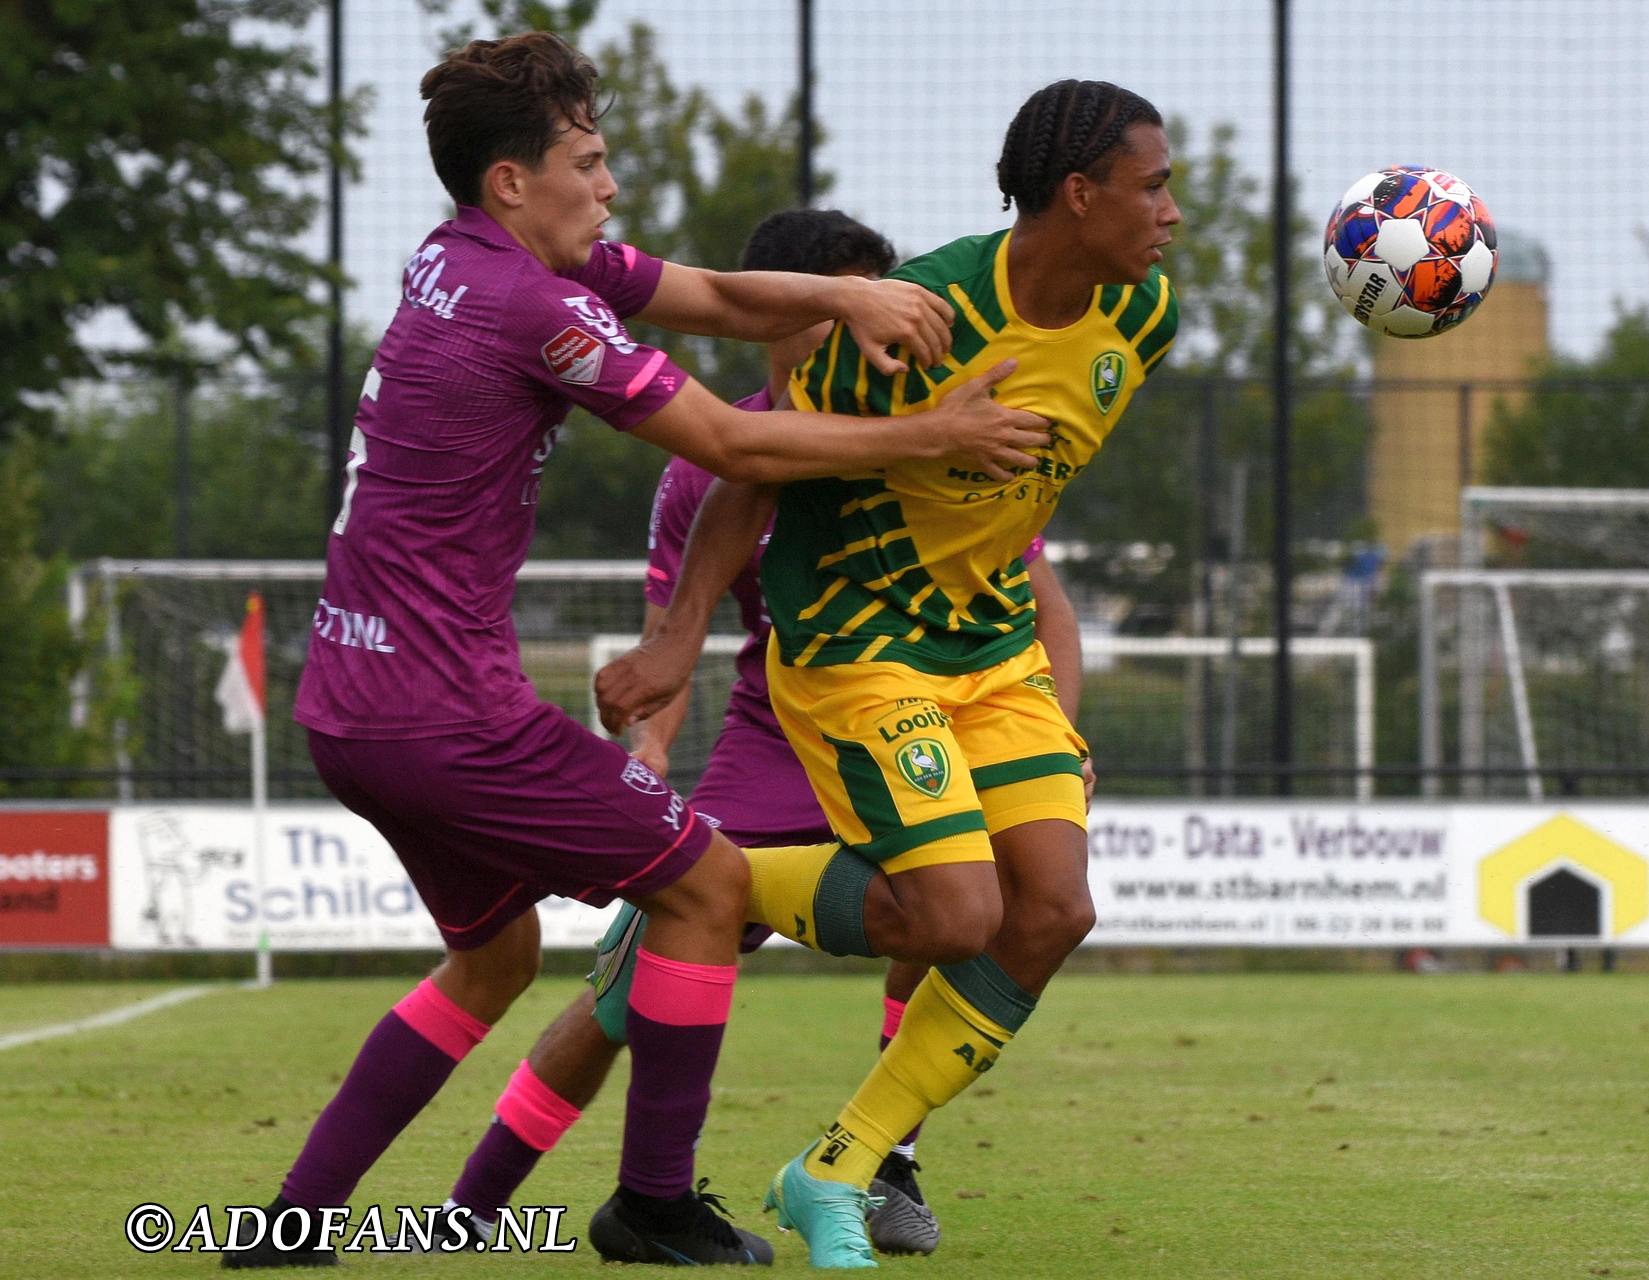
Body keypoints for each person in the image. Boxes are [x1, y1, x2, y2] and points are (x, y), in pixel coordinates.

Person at [220, 33, 1048, 1270]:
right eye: (589, 161)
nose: (608, 185)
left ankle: (293, 1222)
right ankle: (652, 1200)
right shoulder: (535, 305)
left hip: (350, 700)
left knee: (495, 954)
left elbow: (709, 296)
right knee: (706, 887)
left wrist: (841, 292)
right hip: (447, 715)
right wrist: (937, 431)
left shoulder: (461, 260)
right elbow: (734, 444)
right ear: (513, 179)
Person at [595, 78, 1177, 1267]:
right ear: (1079, 194)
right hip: (858, 645)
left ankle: (835, 1168)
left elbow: (1019, 517)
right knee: (959, 914)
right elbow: (753, 465)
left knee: (1055, 907)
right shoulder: (926, 317)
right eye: (1154, 185)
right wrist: (677, 638)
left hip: (989, 650)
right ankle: (719, 879)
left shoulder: (1144, 318)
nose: (1172, 212)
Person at [439, 207, 1088, 1262]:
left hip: (930, 707)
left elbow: (1037, 595)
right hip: (777, 730)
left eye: (887, 313)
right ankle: (473, 1203)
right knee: (623, 990)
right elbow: (672, 629)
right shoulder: (710, 452)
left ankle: (882, 1165)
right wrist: (648, 743)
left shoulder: (939, 422)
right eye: (839, 313)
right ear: (773, 316)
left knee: (973, 905)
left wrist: (1054, 729)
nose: (869, 338)